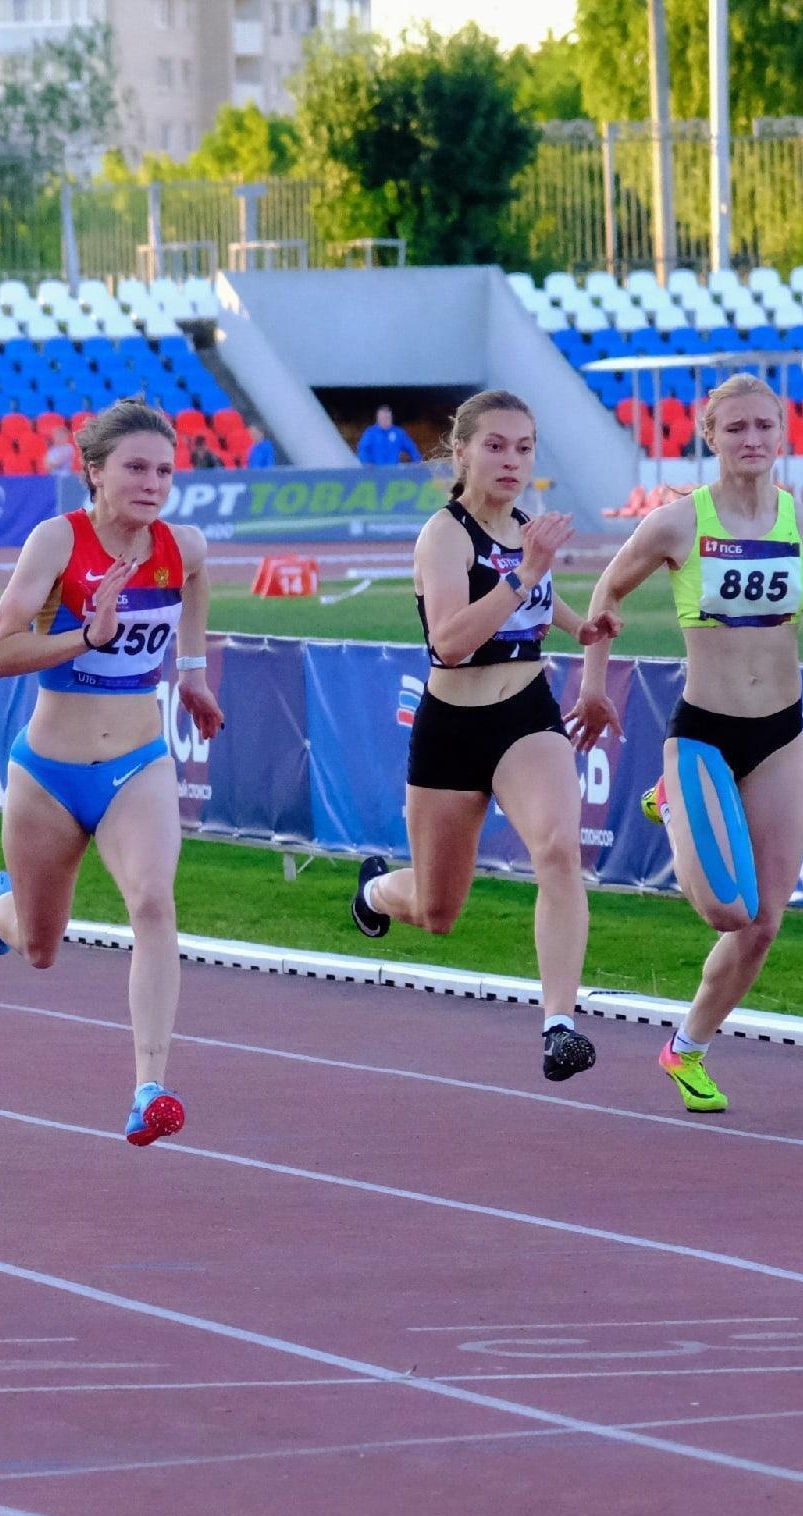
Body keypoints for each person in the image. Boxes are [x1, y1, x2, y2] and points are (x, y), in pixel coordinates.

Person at [577, 372, 803, 1114]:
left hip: (779, 734)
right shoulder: (678, 524)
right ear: (710, 436)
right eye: (735, 427)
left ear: (783, 434)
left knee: (763, 924)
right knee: (724, 911)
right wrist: (593, 683)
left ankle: (686, 1049)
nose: (752, 440)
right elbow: (606, 594)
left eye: (763, 426)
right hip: (704, 731)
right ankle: (672, 793)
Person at [0, 399, 225, 1144]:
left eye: (165, 471)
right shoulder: (58, 541)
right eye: (136, 468)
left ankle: (150, 1087)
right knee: (39, 946)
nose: (153, 484)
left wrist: (191, 671)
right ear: (94, 471)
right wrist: (87, 635)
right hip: (49, 774)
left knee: (152, 901)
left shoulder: (180, 545)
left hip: (137, 764)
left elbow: (198, 578)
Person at [348, 390, 619, 1082]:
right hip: (453, 728)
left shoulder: (525, 526)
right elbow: (449, 642)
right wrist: (524, 573)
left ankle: (559, 1024)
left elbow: (538, 599)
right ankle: (374, 892)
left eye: (524, 448)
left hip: (525, 714)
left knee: (558, 849)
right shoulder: (444, 535)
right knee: (436, 911)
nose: (511, 460)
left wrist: (579, 625)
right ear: (461, 451)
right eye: (495, 446)